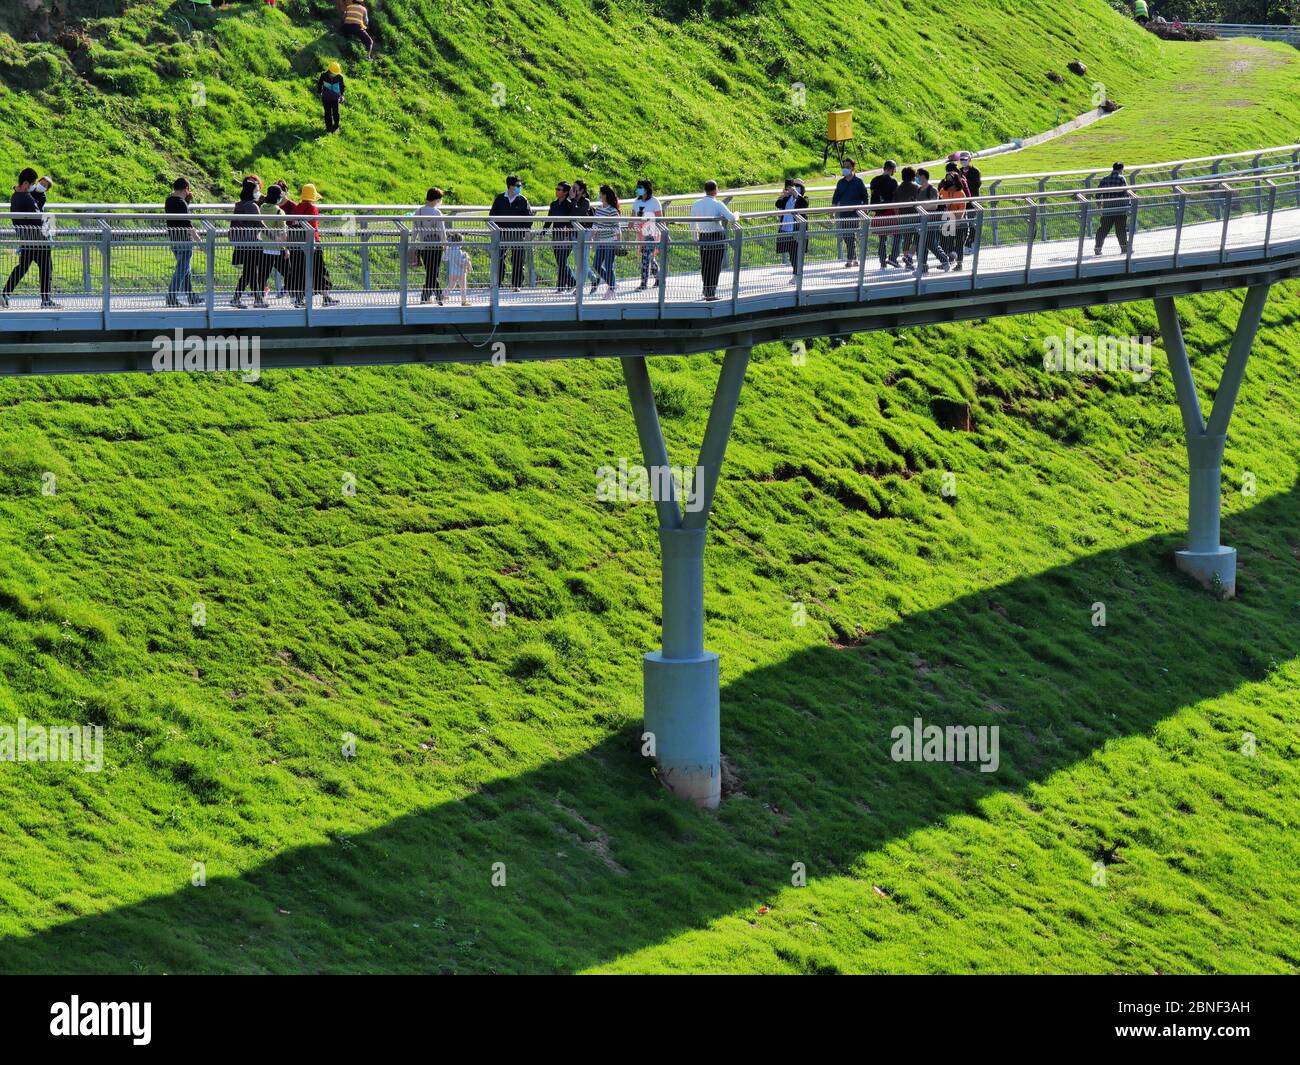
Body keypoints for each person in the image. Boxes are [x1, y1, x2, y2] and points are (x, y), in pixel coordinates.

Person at [1, 168, 57, 309]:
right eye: (32, 183)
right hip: (38, 240)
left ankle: (5, 293)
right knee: (46, 268)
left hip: (26, 238)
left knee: (23, 267)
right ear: (26, 183)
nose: (33, 186)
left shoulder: (15, 196)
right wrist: (48, 227)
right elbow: (39, 219)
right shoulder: (27, 198)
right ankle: (46, 300)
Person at [287, 183, 339, 306]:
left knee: (298, 271)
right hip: (312, 242)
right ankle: (326, 298)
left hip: (297, 244)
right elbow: (313, 226)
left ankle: (298, 298)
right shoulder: (312, 208)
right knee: (320, 270)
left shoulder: (297, 207)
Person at [690, 180, 736, 301]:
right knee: (715, 265)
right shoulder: (717, 203)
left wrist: (695, 239)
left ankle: (706, 289)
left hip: (703, 237)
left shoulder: (696, 204)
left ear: (705, 190)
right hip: (716, 237)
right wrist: (737, 214)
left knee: (706, 265)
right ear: (715, 190)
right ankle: (711, 292)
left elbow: (692, 223)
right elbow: (731, 218)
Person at [489, 175, 532, 290]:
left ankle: (517, 284)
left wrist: (525, 231)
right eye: (517, 186)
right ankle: (497, 283)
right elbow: (492, 215)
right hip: (502, 234)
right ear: (510, 186)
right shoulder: (500, 199)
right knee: (499, 258)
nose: (519, 188)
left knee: (518, 259)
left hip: (518, 234)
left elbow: (528, 218)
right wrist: (497, 230)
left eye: (520, 186)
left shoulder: (523, 200)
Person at [165, 177, 202, 307]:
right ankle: (171, 296)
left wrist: (187, 202)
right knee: (182, 269)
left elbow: (180, 216)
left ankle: (191, 296)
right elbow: (187, 224)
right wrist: (200, 241)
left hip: (174, 239)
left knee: (186, 269)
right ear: (186, 189)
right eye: (188, 189)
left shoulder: (169, 200)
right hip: (185, 241)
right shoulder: (181, 203)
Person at [229, 179, 265, 308]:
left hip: (241, 242)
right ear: (251, 191)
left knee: (250, 272)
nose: (258, 192)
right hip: (251, 243)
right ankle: (238, 298)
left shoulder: (239, 204)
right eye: (257, 190)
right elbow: (260, 223)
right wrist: (274, 235)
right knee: (249, 272)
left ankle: (257, 299)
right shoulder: (252, 205)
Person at [831, 158, 867, 267]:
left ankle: (850, 259)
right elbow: (835, 198)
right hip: (843, 213)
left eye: (847, 167)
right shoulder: (840, 182)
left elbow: (865, 197)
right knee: (847, 236)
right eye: (843, 167)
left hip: (854, 213)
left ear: (852, 168)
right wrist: (832, 212)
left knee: (850, 234)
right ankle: (854, 257)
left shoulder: (859, 182)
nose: (845, 169)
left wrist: (865, 210)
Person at [414, 186, 447, 304]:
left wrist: (413, 243)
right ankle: (435, 296)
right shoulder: (437, 212)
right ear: (436, 199)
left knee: (430, 272)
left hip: (423, 246)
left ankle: (430, 297)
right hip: (436, 246)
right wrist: (445, 243)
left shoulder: (419, 211)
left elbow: (415, 229)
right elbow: (441, 231)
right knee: (434, 272)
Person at [590, 184, 622, 299]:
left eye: (601, 193)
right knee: (596, 265)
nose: (599, 195)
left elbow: (617, 228)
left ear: (605, 195)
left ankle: (612, 288)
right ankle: (612, 283)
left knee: (609, 266)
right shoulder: (598, 210)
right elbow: (595, 224)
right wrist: (591, 238)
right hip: (601, 242)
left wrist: (618, 244)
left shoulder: (612, 211)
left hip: (610, 242)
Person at [915, 168, 950, 273]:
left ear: (923, 176)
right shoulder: (918, 190)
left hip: (931, 220)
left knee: (931, 242)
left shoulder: (932, 190)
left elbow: (934, 205)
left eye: (917, 175)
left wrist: (921, 206)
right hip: (920, 220)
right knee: (920, 243)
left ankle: (945, 261)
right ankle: (922, 266)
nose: (916, 178)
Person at [258, 184, 289, 303]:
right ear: (278, 197)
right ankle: (295, 296)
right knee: (289, 272)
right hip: (276, 247)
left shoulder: (260, 208)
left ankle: (259, 298)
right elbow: (283, 232)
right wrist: (285, 248)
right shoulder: (278, 211)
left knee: (263, 274)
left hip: (262, 246)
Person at [543, 181, 576, 290]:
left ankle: (564, 285)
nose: (556, 191)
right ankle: (569, 284)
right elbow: (549, 220)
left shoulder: (569, 205)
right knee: (561, 261)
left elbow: (573, 219)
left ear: (565, 192)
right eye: (556, 189)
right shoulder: (553, 204)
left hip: (567, 237)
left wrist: (573, 199)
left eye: (559, 189)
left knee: (562, 261)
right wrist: (543, 231)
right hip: (556, 236)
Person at [1095, 162, 1132, 255]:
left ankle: (1098, 247)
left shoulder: (1104, 179)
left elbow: (1098, 194)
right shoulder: (1121, 178)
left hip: (1107, 208)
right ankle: (1124, 249)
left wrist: (1099, 206)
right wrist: (1129, 206)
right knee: (1120, 230)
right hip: (1120, 208)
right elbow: (1126, 193)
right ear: (1121, 169)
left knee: (1103, 229)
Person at [775, 178, 808, 281]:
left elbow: (804, 204)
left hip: (798, 230)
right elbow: (778, 204)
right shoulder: (787, 198)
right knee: (791, 253)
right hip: (786, 229)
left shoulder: (803, 198)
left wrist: (795, 194)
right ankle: (796, 273)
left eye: (798, 186)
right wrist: (783, 195)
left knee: (797, 253)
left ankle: (797, 274)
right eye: (794, 186)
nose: (795, 188)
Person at [869, 160, 900, 268]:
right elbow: (895, 198)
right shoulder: (893, 181)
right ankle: (893, 258)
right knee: (897, 235)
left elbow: (873, 195)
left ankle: (882, 261)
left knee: (882, 238)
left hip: (878, 213)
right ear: (892, 169)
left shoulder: (874, 180)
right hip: (890, 212)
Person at [632, 179, 662, 290]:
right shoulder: (636, 202)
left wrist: (664, 233)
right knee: (649, 257)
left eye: (640, 187)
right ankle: (659, 278)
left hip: (651, 233)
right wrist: (630, 225)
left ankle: (643, 283)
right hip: (641, 233)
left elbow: (660, 218)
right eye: (638, 187)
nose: (638, 189)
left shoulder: (654, 201)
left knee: (645, 258)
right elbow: (632, 217)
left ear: (647, 189)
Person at [937, 172, 968, 271]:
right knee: (945, 242)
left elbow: (961, 213)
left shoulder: (961, 193)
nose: (948, 181)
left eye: (951, 179)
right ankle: (946, 261)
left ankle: (959, 264)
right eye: (947, 179)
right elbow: (940, 206)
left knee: (958, 244)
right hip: (946, 221)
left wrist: (953, 219)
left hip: (958, 221)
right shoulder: (942, 191)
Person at [894, 166, 921, 269]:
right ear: (913, 176)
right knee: (918, 237)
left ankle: (907, 259)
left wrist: (897, 216)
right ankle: (909, 256)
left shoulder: (898, 188)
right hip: (915, 216)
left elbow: (895, 204)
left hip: (902, 216)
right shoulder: (916, 187)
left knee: (906, 238)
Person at [958, 151, 982, 250]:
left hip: (972, 200)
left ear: (970, 160)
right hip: (962, 201)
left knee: (972, 222)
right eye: (961, 159)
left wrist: (965, 182)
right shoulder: (958, 171)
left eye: (965, 159)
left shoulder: (975, 171)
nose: (963, 161)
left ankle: (971, 242)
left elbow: (977, 184)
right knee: (962, 223)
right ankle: (962, 243)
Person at [317, 62, 345, 133]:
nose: (334, 75)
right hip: (326, 98)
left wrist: (342, 95)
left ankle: (336, 127)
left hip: (335, 98)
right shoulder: (323, 75)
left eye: (336, 73)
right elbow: (320, 84)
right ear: (329, 71)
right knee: (327, 113)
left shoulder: (339, 77)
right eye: (333, 73)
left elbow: (342, 86)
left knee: (336, 113)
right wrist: (319, 92)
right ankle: (329, 128)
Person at [445, 232, 471, 306]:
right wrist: (466, 259)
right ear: (459, 242)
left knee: (450, 286)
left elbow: (444, 258)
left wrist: (445, 249)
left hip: (452, 272)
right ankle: (463, 301)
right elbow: (460, 262)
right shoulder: (459, 251)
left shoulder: (449, 250)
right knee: (463, 287)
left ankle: (443, 295)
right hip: (461, 273)